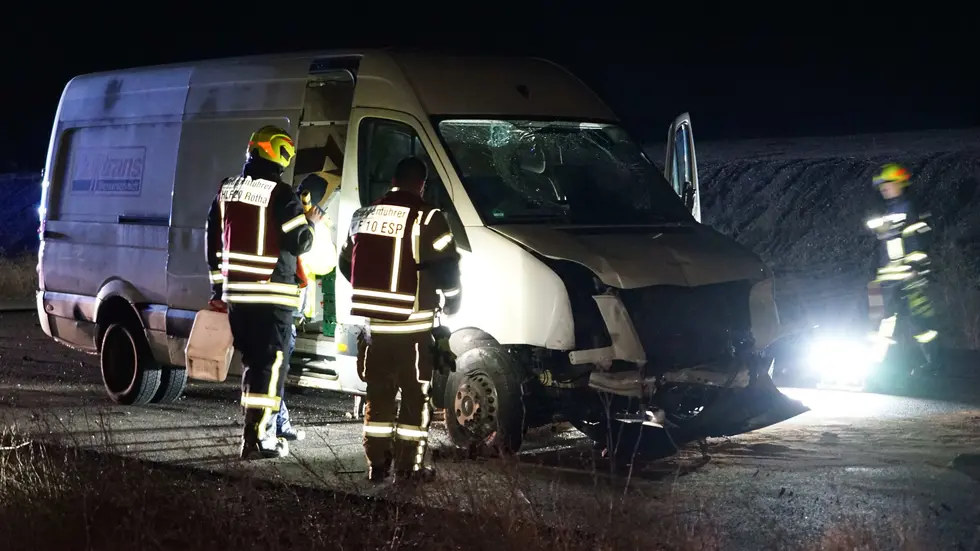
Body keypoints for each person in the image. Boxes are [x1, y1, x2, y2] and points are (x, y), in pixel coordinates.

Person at [338, 157, 462, 484]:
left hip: (374, 330)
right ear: (421, 184)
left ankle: (377, 465)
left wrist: (375, 292)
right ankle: (409, 468)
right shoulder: (429, 217)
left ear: (392, 180)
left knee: (378, 397)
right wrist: (453, 301)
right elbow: (447, 268)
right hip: (414, 330)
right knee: (414, 399)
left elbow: (346, 264)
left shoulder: (362, 216)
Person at [205, 125, 321, 460]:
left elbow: (212, 240)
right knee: (269, 369)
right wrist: (309, 220)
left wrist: (218, 286)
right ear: (279, 154)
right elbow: (301, 241)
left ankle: (253, 434)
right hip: (272, 296)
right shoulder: (281, 194)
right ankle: (258, 439)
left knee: (254, 367)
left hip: (237, 297)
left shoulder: (227, 190)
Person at [865, 163, 939, 376]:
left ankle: (934, 365)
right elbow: (881, 247)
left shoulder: (911, 210)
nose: (883, 188)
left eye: (888, 183)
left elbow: (920, 241)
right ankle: (878, 367)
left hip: (909, 277)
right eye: (881, 185)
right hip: (888, 279)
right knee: (882, 322)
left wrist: (916, 269)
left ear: (900, 183)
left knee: (919, 322)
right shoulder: (886, 212)